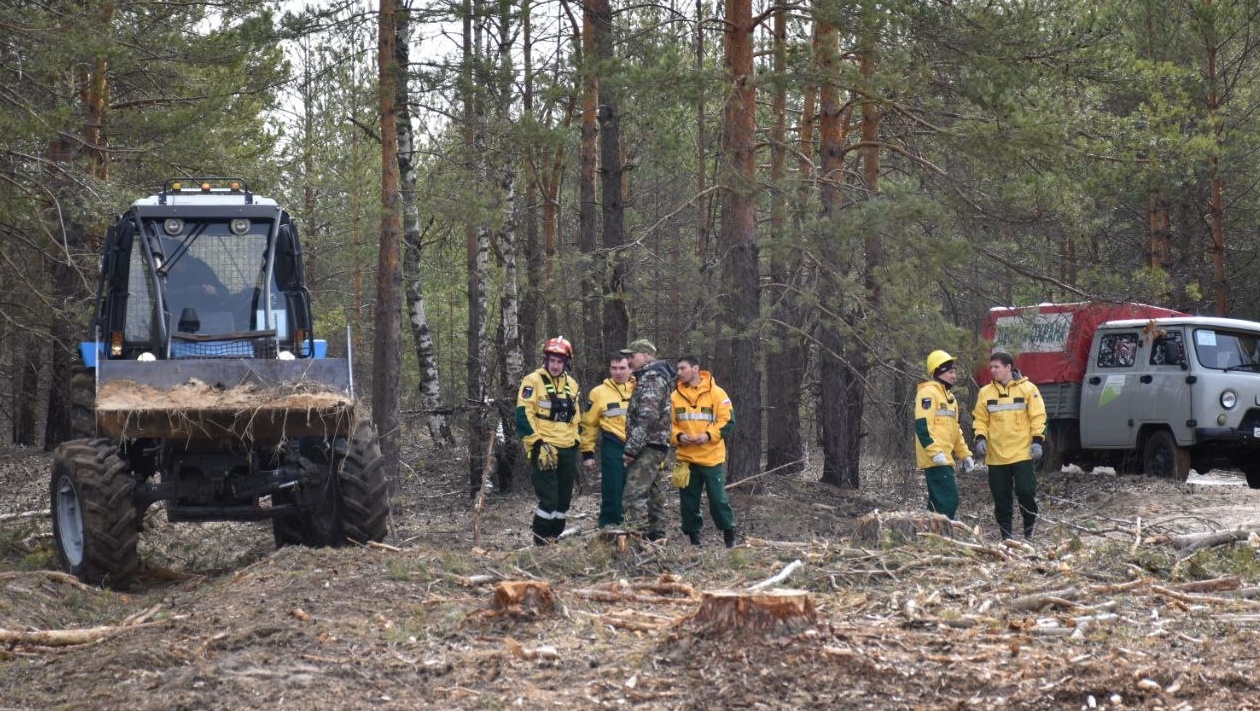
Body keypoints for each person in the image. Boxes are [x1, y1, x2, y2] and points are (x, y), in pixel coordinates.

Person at [972, 350, 1048, 541]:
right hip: (996, 456)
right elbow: (980, 418)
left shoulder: (1028, 389)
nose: (992, 370)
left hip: (1022, 453)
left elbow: (1038, 417)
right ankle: (1006, 537)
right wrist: (980, 438)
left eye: (996, 367)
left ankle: (1029, 533)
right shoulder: (985, 392)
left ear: (1008, 367)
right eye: (991, 367)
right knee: (1001, 498)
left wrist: (1037, 441)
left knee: (1025, 492)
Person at [516, 336, 582, 545]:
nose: (555, 365)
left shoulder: (572, 385)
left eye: (559, 362)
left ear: (566, 363)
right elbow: (523, 414)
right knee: (549, 499)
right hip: (544, 447)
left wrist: (576, 442)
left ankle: (554, 538)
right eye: (552, 361)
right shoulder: (532, 381)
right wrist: (537, 443)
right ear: (546, 360)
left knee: (563, 501)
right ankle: (540, 542)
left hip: (567, 448)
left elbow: (576, 418)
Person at [671, 355, 738, 548]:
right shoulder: (674, 396)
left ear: (695, 369)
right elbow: (668, 425)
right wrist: (678, 436)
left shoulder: (717, 393)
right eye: (678, 369)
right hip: (686, 458)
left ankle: (729, 535)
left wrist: (708, 435)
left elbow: (727, 422)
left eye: (682, 368)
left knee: (717, 500)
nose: (679, 372)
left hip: (711, 458)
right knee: (688, 502)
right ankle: (694, 540)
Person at [620, 338, 675, 542]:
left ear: (645, 356)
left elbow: (647, 417)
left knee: (633, 495)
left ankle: (636, 540)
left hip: (648, 446)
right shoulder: (652, 376)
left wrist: (631, 449)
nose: (629, 360)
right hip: (654, 445)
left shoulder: (651, 377)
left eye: (632, 356)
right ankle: (656, 538)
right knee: (654, 494)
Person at [914, 350, 974, 521]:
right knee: (949, 500)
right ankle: (941, 536)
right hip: (934, 458)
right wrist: (935, 453)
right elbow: (922, 426)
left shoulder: (950, 399)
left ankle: (930, 535)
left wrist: (965, 455)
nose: (955, 376)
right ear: (939, 372)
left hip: (944, 457)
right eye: (951, 372)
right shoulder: (928, 393)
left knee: (936, 502)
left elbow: (955, 430)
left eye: (954, 371)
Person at [580, 354, 635, 528]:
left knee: (638, 489)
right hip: (614, 444)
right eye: (614, 368)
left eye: (622, 368)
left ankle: (636, 527)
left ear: (631, 369)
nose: (618, 372)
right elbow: (589, 424)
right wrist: (587, 454)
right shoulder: (598, 393)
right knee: (612, 487)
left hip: (639, 445)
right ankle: (609, 527)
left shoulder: (640, 388)